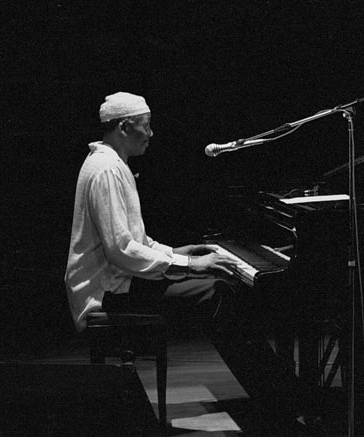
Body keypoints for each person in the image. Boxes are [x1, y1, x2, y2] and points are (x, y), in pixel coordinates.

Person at [64, 92, 323, 434]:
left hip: (118, 281)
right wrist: (189, 264)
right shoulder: (108, 170)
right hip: (104, 293)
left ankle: (283, 394)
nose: (152, 133)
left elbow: (135, 242)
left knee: (218, 289)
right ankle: (283, 403)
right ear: (125, 127)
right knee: (214, 293)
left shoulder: (111, 163)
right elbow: (123, 251)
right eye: (147, 125)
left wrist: (177, 252)